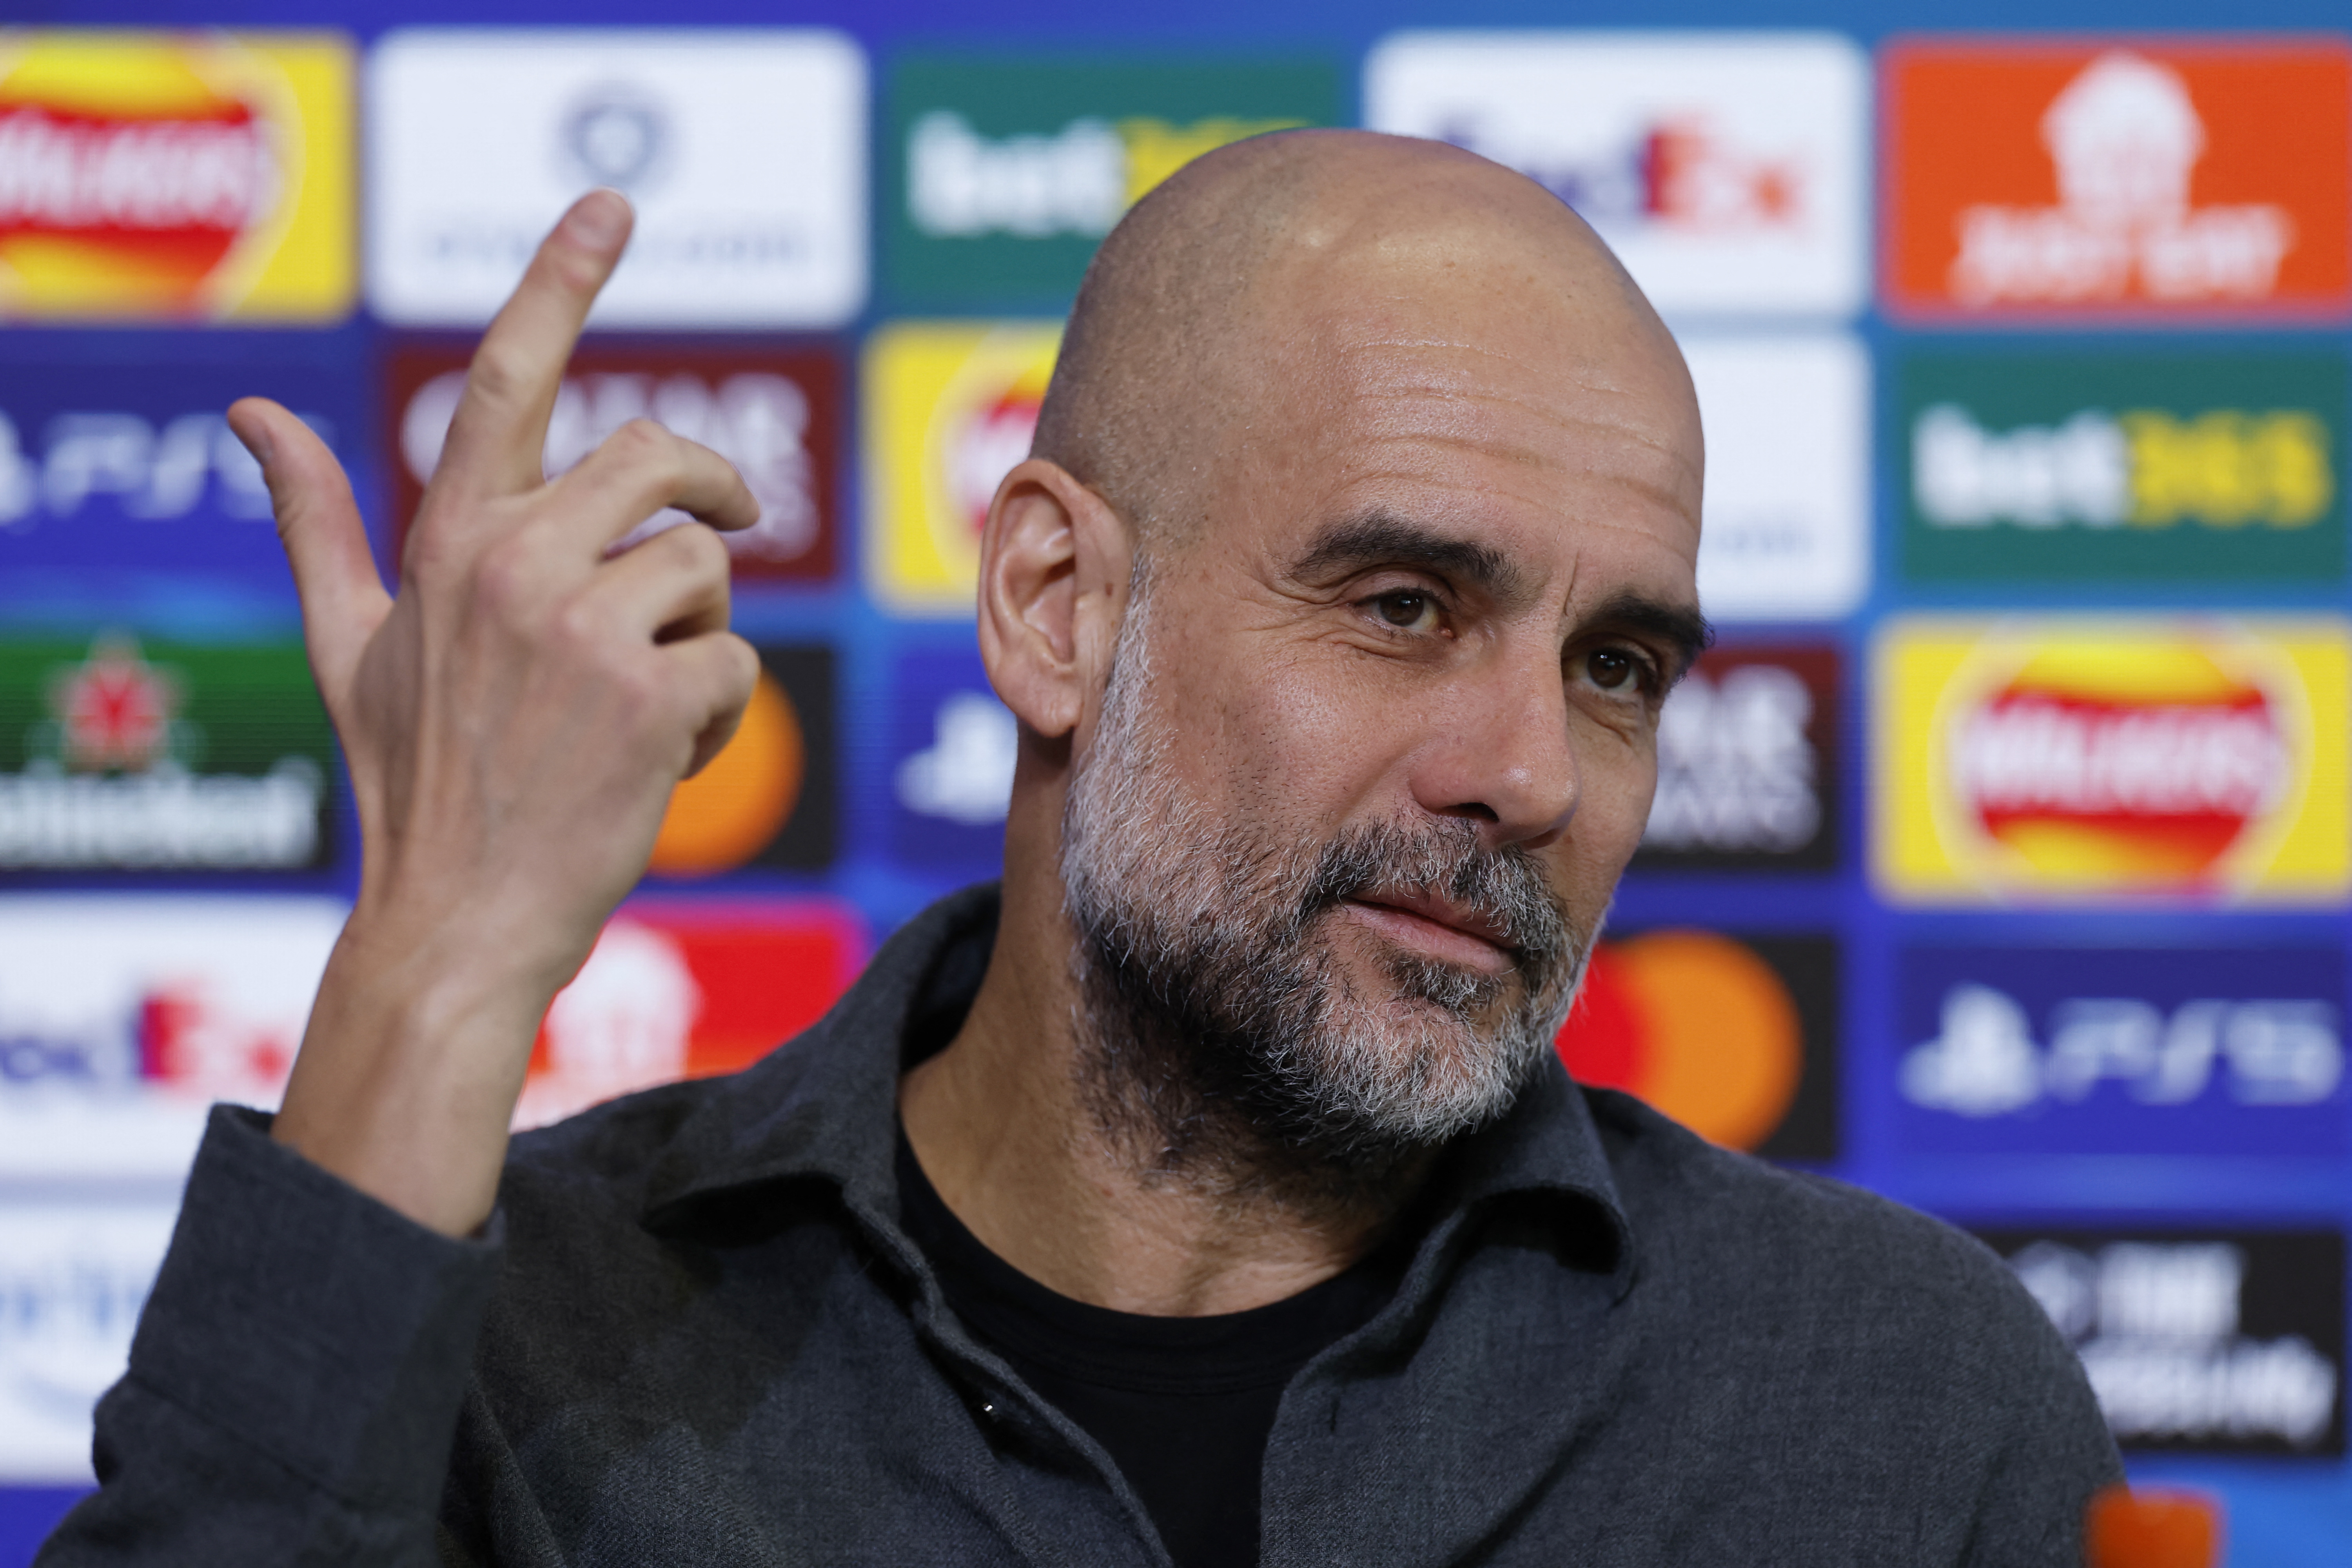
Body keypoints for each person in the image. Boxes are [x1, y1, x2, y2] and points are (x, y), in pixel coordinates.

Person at [40, 131, 2119, 1568]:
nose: (1531, 773)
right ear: (1053, 605)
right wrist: (437, 957)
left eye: (1621, 665)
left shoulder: (1898, 1409)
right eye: (1402, 605)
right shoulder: (520, 1336)